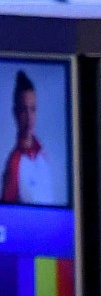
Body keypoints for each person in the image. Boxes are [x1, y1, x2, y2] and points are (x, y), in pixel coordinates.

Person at [3, 71, 57, 206]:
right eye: (23, 110)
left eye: (33, 109)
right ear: (15, 113)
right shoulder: (14, 163)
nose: (29, 117)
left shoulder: (43, 156)